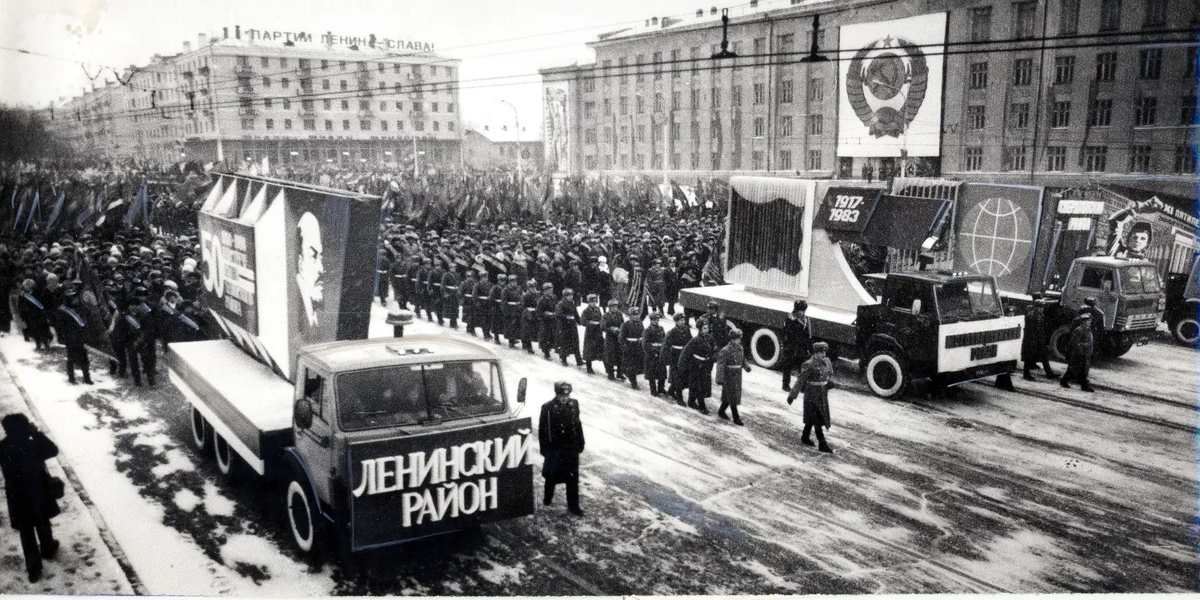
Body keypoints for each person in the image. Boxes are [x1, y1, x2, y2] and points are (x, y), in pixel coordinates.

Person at [0, 413, 62, 583]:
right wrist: (37, 433)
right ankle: (48, 548)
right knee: (42, 521)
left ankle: (33, 566)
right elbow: (53, 450)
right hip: (38, 491)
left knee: (25, 529)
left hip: (16, 495)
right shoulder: (33, 445)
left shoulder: (2, 447)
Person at [538, 382, 585, 517]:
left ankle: (574, 506)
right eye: (561, 395)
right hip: (555, 449)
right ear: (556, 394)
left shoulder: (574, 404)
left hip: (571, 448)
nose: (565, 398)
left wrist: (581, 441)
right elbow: (543, 429)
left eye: (567, 395)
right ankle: (548, 497)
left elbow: (578, 424)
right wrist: (545, 449)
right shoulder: (548, 407)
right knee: (551, 475)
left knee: (572, 478)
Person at [787, 341, 836, 453]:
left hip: (822, 394)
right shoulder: (809, 364)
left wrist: (829, 382)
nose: (823, 354)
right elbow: (800, 380)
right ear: (816, 353)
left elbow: (828, 375)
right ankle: (822, 443)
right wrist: (792, 395)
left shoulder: (826, 362)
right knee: (817, 419)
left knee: (813, 417)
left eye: (824, 352)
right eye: (821, 353)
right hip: (811, 395)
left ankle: (805, 437)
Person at [714, 328, 751, 426]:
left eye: (740, 338)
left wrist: (746, 366)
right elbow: (720, 365)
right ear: (732, 339)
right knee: (732, 396)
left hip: (737, 375)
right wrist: (719, 379)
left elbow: (742, 359)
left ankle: (721, 411)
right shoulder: (726, 350)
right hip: (729, 376)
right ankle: (736, 417)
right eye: (738, 338)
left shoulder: (740, 348)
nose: (739, 340)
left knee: (729, 395)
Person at [55, 290, 92, 385]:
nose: (75, 300)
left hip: (81, 337)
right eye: (73, 298)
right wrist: (62, 338)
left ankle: (87, 378)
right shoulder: (62, 311)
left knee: (84, 358)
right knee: (71, 358)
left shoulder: (80, 309)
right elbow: (59, 326)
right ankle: (71, 377)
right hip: (70, 338)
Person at [679, 320, 715, 413]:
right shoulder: (695, 340)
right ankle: (702, 406)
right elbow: (685, 354)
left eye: (707, 328)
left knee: (702, 385)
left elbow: (715, 350)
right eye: (704, 328)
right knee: (697, 385)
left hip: (705, 366)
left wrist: (712, 358)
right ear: (699, 329)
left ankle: (691, 401)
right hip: (695, 365)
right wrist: (682, 367)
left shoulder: (710, 339)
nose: (706, 330)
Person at [1021, 294, 1058, 381]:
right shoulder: (1033, 316)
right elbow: (1033, 330)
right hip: (1032, 340)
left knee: (1043, 356)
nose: (1042, 309)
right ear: (1036, 307)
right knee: (1029, 358)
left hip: (1036, 339)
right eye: (1040, 307)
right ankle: (1026, 374)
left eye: (1043, 307)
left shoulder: (1037, 315)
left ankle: (1049, 373)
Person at [781, 300, 813, 392]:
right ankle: (785, 385)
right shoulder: (789, 318)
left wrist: (809, 348)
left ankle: (802, 387)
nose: (802, 312)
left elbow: (808, 335)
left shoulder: (806, 320)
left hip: (801, 347)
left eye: (803, 310)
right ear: (796, 310)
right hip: (791, 346)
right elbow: (786, 333)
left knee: (802, 368)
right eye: (800, 310)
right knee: (788, 366)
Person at [661, 313, 692, 405]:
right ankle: (679, 398)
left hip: (684, 356)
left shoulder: (687, 330)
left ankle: (671, 391)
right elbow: (666, 346)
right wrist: (667, 359)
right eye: (680, 320)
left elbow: (690, 341)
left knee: (681, 376)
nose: (683, 322)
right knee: (678, 377)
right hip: (675, 357)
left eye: (683, 320)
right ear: (676, 322)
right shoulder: (672, 332)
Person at [1061, 309, 1095, 392]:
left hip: (1085, 352)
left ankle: (1081, 385)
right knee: (1074, 369)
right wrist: (1082, 351)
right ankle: (1066, 381)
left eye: (1090, 320)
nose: (1090, 322)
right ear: (1083, 322)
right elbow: (1075, 343)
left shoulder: (1087, 329)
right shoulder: (1079, 330)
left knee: (1082, 369)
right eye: (1088, 321)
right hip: (1079, 353)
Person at [619, 306, 646, 390]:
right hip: (629, 347)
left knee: (637, 365)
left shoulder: (640, 323)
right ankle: (633, 382)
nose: (636, 316)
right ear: (630, 316)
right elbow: (621, 338)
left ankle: (628, 375)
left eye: (637, 315)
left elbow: (643, 334)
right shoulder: (626, 325)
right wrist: (625, 348)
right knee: (631, 366)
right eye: (634, 315)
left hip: (638, 347)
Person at [642, 311, 667, 396]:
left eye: (657, 320)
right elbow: (645, 344)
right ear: (651, 320)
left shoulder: (661, 329)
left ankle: (661, 388)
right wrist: (653, 350)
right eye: (654, 320)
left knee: (662, 372)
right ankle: (653, 389)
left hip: (660, 353)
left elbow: (664, 340)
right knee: (652, 373)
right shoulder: (647, 330)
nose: (656, 321)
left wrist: (663, 350)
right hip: (652, 355)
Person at [557, 289, 583, 367]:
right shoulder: (561, 304)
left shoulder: (572, 303)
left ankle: (579, 360)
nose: (571, 297)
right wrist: (566, 317)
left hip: (572, 325)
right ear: (565, 296)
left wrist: (579, 321)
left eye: (572, 295)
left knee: (575, 342)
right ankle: (564, 359)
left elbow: (575, 313)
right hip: (564, 326)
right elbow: (558, 314)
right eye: (569, 295)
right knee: (564, 342)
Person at [601, 299, 625, 380]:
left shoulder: (619, 315)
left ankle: (619, 373)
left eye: (616, 307)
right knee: (610, 356)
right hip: (610, 339)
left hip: (618, 338)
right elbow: (603, 327)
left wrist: (620, 330)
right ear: (610, 308)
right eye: (613, 307)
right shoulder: (606, 316)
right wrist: (611, 329)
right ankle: (610, 373)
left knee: (619, 355)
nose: (615, 308)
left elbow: (622, 324)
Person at [581, 294, 604, 375]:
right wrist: (591, 323)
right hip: (590, 333)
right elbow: (583, 321)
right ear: (589, 302)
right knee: (589, 350)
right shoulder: (586, 311)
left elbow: (601, 318)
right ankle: (589, 367)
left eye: (595, 302)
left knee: (600, 349)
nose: (594, 303)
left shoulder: (598, 309)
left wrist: (601, 324)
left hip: (598, 332)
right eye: (592, 302)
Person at [538, 282, 559, 360]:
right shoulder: (542, 300)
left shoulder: (554, 297)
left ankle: (549, 348)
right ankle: (546, 353)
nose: (551, 291)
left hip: (553, 320)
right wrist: (547, 314)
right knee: (545, 336)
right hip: (545, 321)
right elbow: (539, 312)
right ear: (545, 291)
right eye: (549, 290)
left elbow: (557, 306)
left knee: (552, 336)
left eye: (551, 289)